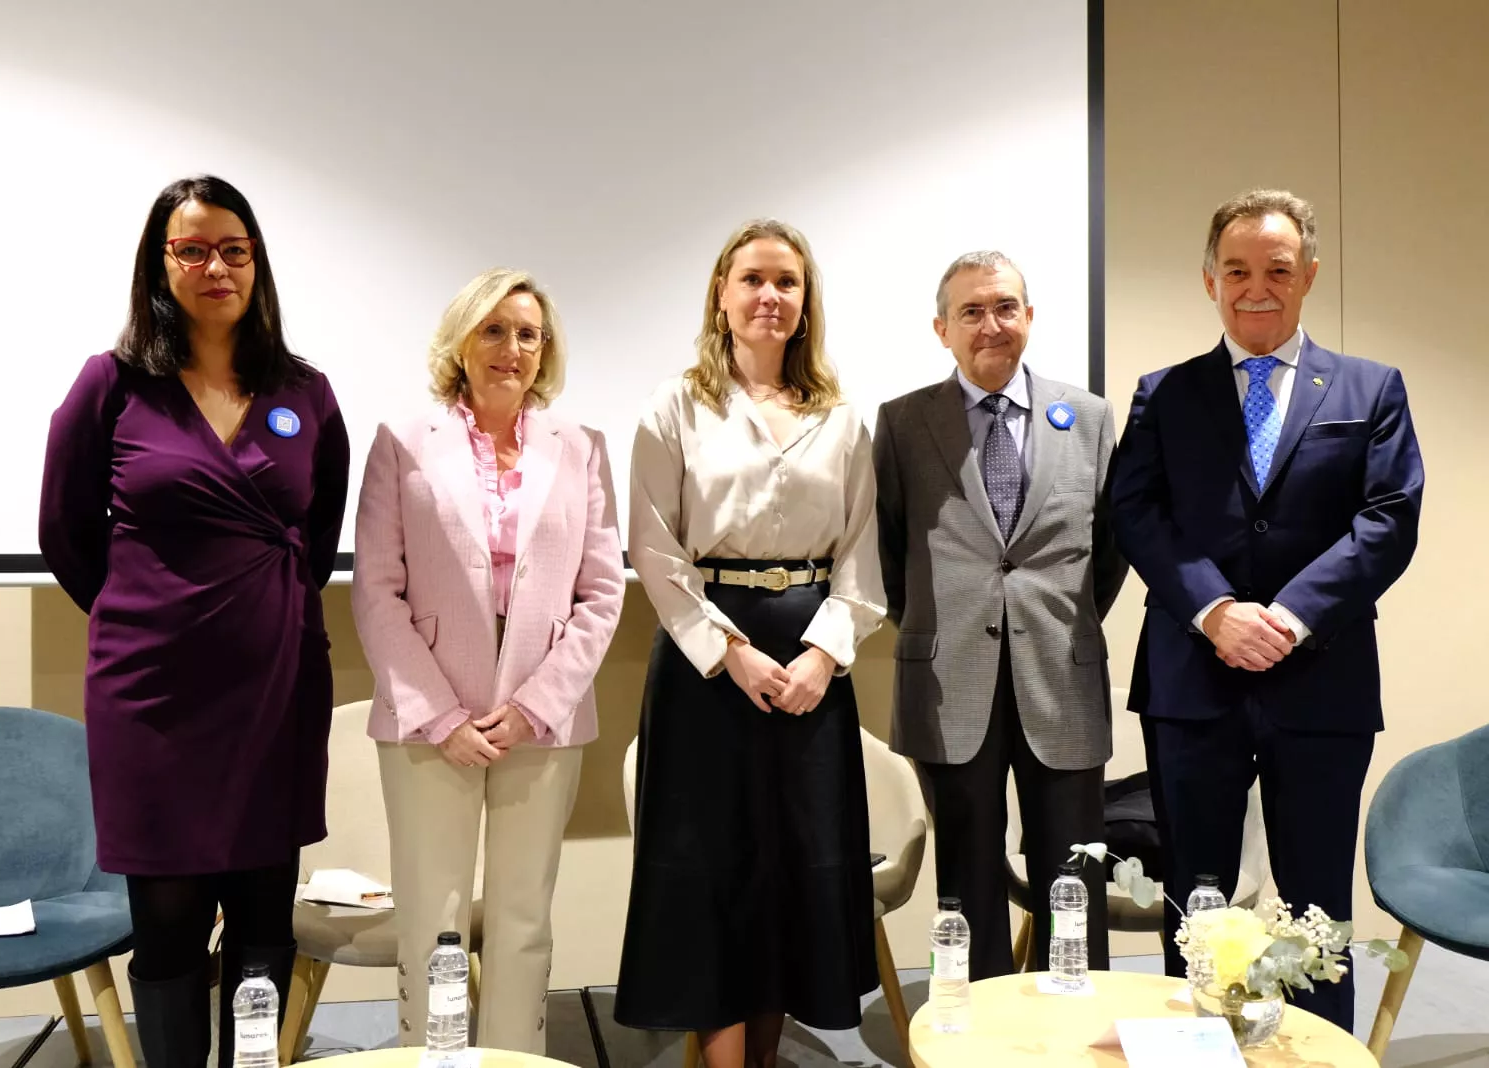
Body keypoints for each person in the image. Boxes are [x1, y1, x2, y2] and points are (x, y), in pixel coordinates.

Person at [39, 175, 349, 1067]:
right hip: (153, 702)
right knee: (168, 927)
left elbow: (313, 540)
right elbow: (64, 533)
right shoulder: (112, 385)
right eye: (192, 248)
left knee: (262, 919)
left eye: (234, 250)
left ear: (257, 264)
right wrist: (152, 618)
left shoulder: (307, 392)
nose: (216, 266)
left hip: (274, 694)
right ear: (159, 262)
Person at [1111, 188, 1424, 1030]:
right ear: (1209, 279)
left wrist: (1288, 616)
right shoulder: (1162, 394)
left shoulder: (1371, 388)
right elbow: (1137, 514)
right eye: (1238, 270)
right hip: (1192, 678)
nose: (1258, 287)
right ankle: (1200, 1048)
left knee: (1317, 904)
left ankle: (1319, 1054)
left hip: (1322, 682)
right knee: (1198, 898)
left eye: (1278, 270)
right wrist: (1214, 610)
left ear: (1309, 276)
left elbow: (1389, 519)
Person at [614, 219, 886, 1068]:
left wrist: (824, 656)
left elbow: (863, 555)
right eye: (753, 280)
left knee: (791, 870)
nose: (770, 296)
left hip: (808, 664)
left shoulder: (839, 419)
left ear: (806, 306)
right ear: (722, 297)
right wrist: (730, 652)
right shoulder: (674, 405)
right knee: (707, 870)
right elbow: (653, 549)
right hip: (706, 664)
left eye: (788, 283)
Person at [351, 267, 624, 1051]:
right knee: (431, 923)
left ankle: (515, 1062)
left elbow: (600, 594)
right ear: (462, 342)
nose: (513, 349)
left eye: (529, 334)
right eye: (494, 330)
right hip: (427, 724)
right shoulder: (403, 443)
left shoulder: (581, 448)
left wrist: (538, 702)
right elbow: (376, 591)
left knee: (522, 922)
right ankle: (426, 1061)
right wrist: (439, 715)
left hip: (540, 724)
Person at [873, 251, 1126, 979]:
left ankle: (1072, 1041)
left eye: (1006, 307)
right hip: (950, 684)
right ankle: (978, 1041)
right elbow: (889, 556)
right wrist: (939, 624)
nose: (992, 325)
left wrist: (1057, 622)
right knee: (967, 884)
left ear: (1030, 317)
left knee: (1071, 885)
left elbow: (1108, 550)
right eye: (972, 312)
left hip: (1062, 678)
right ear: (942, 329)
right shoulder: (902, 423)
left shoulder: (1088, 416)